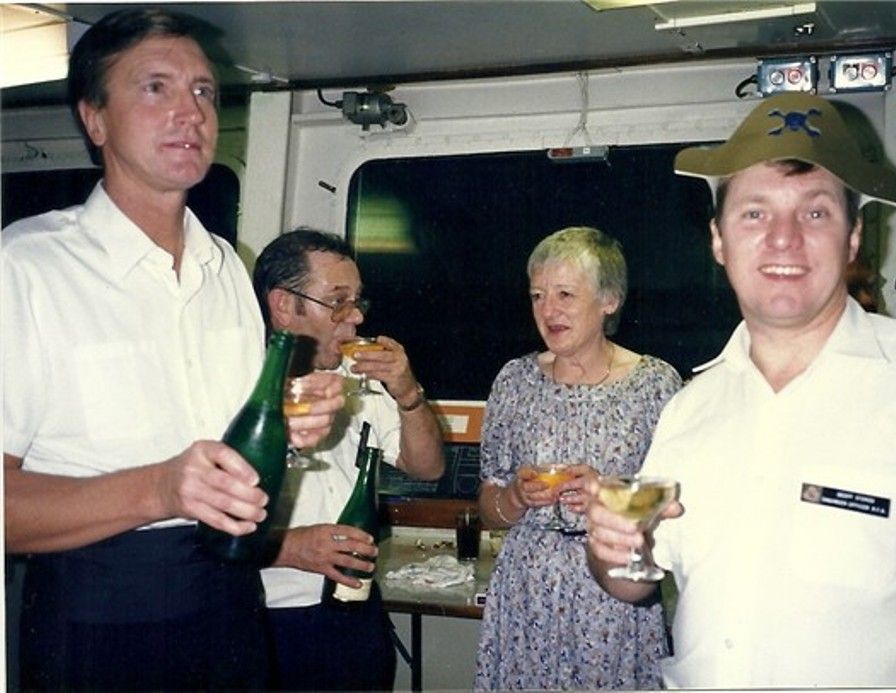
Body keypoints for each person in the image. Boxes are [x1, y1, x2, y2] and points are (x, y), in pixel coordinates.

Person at [585, 92, 896, 688]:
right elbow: (637, 577)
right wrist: (608, 553)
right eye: (755, 213)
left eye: (815, 213)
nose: (784, 238)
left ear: (853, 237)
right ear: (718, 239)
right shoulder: (688, 408)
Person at [1, 10, 343, 690]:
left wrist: (288, 424)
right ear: (94, 119)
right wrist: (159, 488)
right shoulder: (26, 268)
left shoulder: (227, 269)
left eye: (205, 91)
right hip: (94, 615)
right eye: (155, 87)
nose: (190, 110)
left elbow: (234, 456)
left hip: (232, 603)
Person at [474, 226, 683, 689]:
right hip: (526, 594)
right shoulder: (514, 381)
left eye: (565, 294)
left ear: (609, 300)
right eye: (537, 295)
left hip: (613, 593)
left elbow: (675, 506)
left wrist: (609, 497)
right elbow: (488, 507)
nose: (548, 310)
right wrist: (515, 496)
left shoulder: (654, 385)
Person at [253, 228, 446, 691]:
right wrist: (293, 547)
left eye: (357, 301)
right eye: (337, 301)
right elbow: (194, 532)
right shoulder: (237, 384)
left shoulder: (353, 377)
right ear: (283, 305)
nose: (355, 317)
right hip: (267, 619)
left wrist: (407, 393)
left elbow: (428, 468)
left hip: (354, 608)